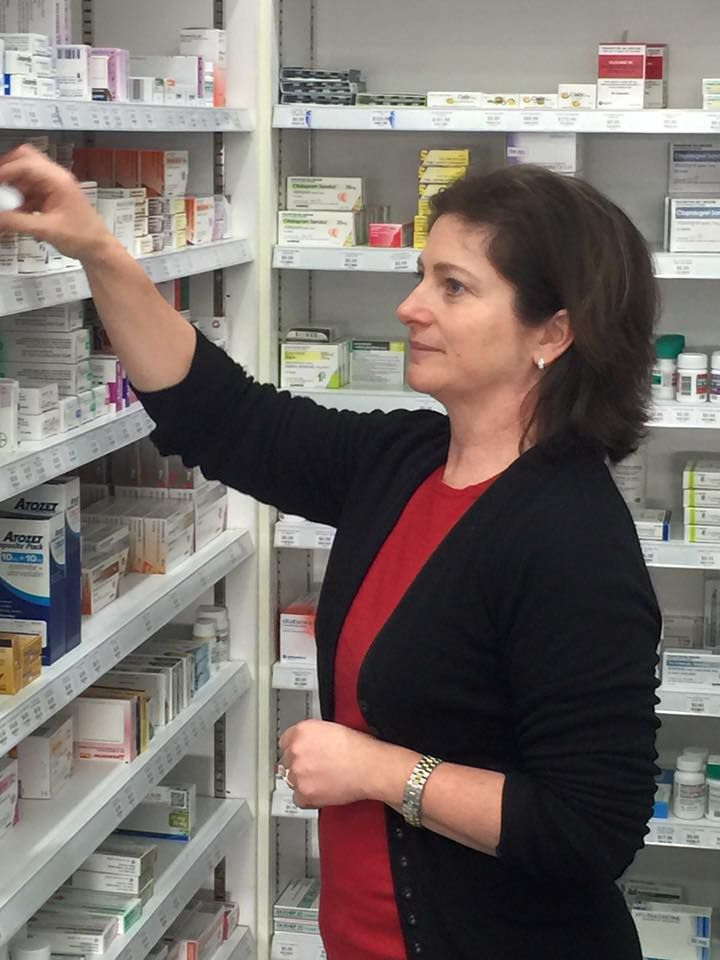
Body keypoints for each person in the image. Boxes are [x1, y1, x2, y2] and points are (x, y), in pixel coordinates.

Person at [0, 146, 660, 960]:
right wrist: (97, 246)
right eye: (422, 276)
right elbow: (226, 417)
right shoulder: (410, 460)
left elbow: (591, 828)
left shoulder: (569, 535)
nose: (411, 307)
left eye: (453, 287)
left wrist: (381, 772)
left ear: (553, 332)